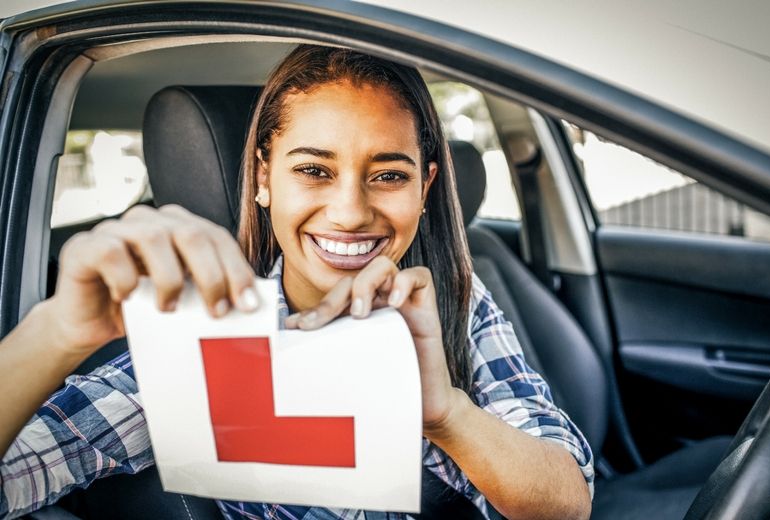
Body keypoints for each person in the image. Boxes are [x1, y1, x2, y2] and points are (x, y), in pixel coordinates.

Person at [0, 45, 594, 519]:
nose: (350, 212)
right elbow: (17, 476)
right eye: (313, 170)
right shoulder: (206, 339)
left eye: (388, 175)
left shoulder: (454, 304)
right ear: (263, 177)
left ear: (426, 186)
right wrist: (57, 331)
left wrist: (447, 416)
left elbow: (568, 504)